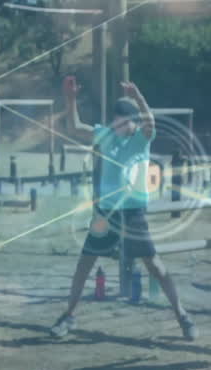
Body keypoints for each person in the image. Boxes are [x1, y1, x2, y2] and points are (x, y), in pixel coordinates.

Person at [48, 76, 195, 341]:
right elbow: (75, 127)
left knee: (155, 266)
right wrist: (70, 99)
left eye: (123, 120)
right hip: (106, 213)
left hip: (133, 213)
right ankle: (68, 315)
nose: (117, 124)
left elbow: (150, 121)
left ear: (133, 122)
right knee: (84, 264)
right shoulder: (105, 135)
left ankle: (183, 316)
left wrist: (138, 97)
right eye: (115, 118)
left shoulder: (142, 139)